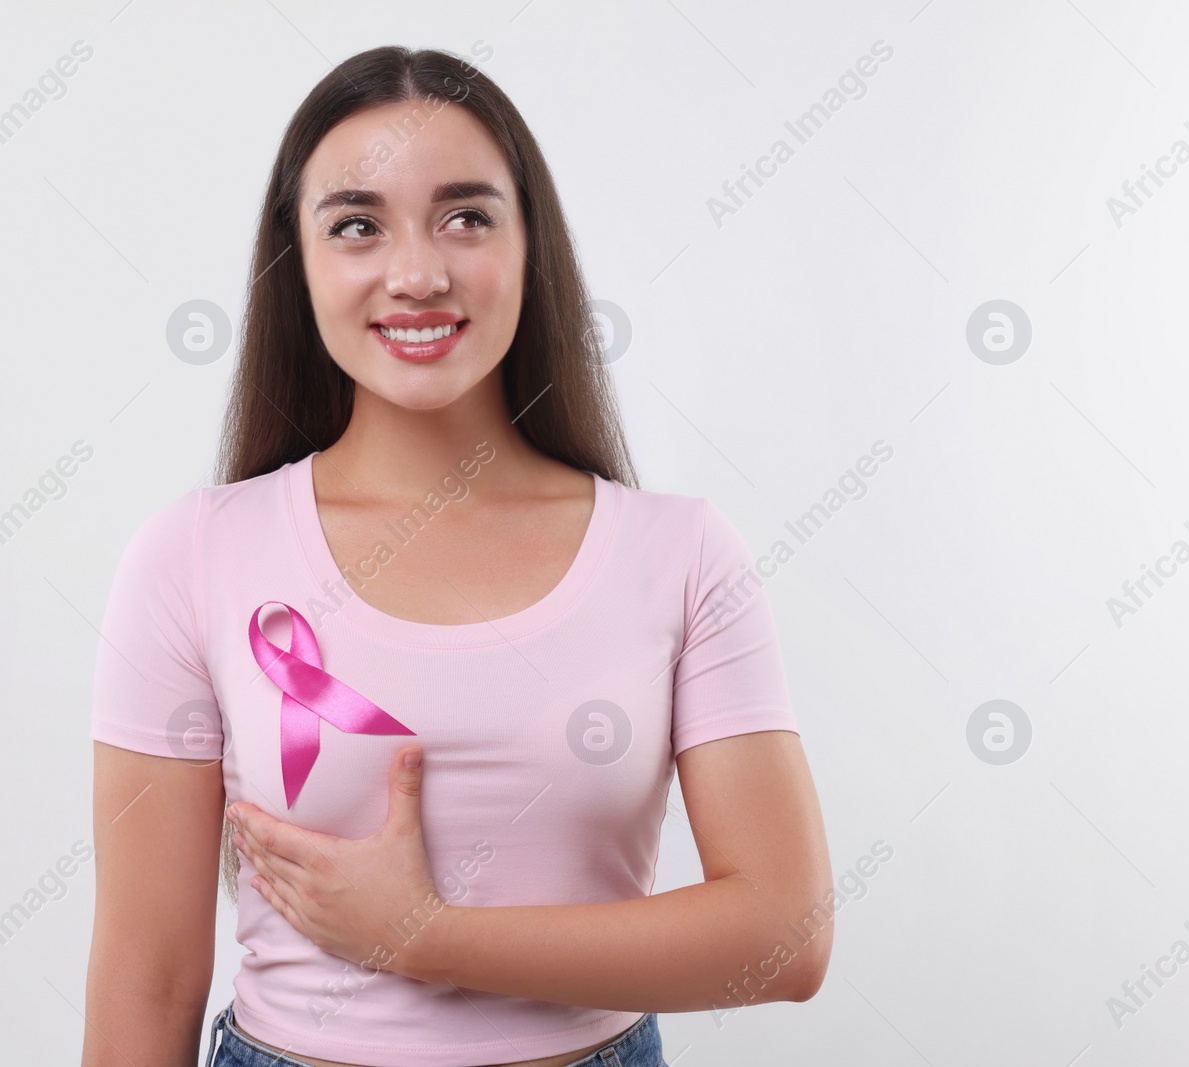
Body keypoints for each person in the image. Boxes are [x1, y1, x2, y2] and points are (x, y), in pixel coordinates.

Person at [82, 45, 832, 1067]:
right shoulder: (196, 553)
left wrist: (430, 937)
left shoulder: (682, 553)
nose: (418, 273)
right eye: (356, 225)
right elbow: (146, 974)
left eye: (466, 215)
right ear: (296, 262)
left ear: (532, 246)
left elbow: (787, 936)